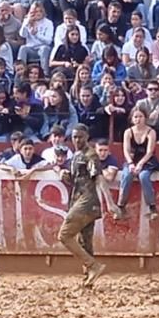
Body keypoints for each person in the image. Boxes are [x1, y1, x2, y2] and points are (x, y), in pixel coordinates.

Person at [57, 123, 108, 289]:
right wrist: (64, 175)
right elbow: (76, 179)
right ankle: (88, 278)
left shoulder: (90, 155)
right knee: (85, 240)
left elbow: (99, 178)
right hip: (82, 199)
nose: (77, 140)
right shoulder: (77, 156)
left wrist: (111, 203)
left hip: (86, 201)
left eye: (79, 137)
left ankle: (93, 266)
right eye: (74, 137)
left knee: (64, 235)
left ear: (87, 137)